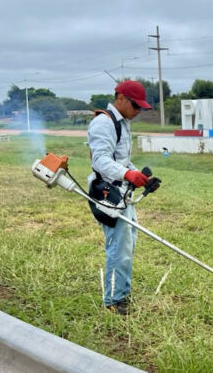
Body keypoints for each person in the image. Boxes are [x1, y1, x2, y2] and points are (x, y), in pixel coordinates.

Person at [87, 80, 151, 315]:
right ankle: (114, 301)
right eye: (136, 106)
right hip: (108, 192)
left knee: (128, 243)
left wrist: (137, 174)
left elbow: (120, 159)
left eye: (141, 108)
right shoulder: (104, 123)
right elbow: (100, 161)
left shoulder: (122, 123)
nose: (138, 112)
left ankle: (121, 293)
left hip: (122, 191)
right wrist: (128, 173)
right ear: (121, 98)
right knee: (118, 247)